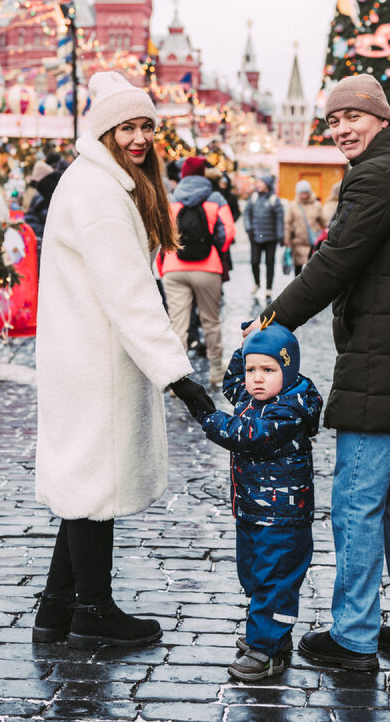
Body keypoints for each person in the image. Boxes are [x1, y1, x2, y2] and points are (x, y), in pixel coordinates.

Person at [245, 73, 390, 671]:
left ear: (381, 119)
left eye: (354, 118)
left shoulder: (376, 175)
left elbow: (334, 262)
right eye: (334, 121)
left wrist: (275, 318)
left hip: (381, 366)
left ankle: (354, 636)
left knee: (357, 503)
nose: (342, 129)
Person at [33, 71, 197, 650]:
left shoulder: (95, 183)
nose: (139, 138)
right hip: (95, 359)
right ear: (103, 130)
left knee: (84, 485)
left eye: (146, 126)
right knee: (94, 485)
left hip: (82, 354)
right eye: (126, 126)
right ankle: (94, 611)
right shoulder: (100, 194)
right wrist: (182, 379)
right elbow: (131, 295)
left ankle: (57, 609)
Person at [175, 321, 322, 682]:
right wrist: (247, 347)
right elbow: (232, 383)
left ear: (287, 371)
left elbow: (247, 435)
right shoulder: (255, 396)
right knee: (254, 577)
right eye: (252, 370)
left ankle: (268, 650)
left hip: (284, 520)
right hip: (252, 512)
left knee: (274, 582)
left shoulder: (288, 408)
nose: (256, 378)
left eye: (268, 370)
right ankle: (270, 639)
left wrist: (205, 413)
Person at [160, 156, 235, 387]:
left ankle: (178, 380)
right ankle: (215, 371)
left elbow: (160, 232)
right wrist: (216, 250)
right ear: (203, 174)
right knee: (211, 321)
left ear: (182, 175)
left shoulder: (171, 199)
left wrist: (169, 256)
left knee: (177, 324)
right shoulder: (215, 198)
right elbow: (229, 231)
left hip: (174, 268)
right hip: (208, 267)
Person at [244, 175, 284, 303]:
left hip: (270, 238)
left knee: (270, 263)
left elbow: (279, 219)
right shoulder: (254, 198)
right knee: (254, 262)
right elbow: (246, 214)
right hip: (255, 236)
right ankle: (257, 283)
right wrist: (249, 228)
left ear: (267, 184)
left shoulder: (274, 199)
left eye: (261, 182)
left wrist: (280, 235)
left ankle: (268, 288)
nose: (258, 185)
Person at [284, 180, 324, 276]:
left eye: (306, 193)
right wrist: (287, 240)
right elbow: (288, 224)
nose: (304, 196)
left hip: (313, 243)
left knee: (312, 269)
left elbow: (324, 222)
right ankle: (297, 289)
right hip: (298, 242)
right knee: (298, 269)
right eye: (302, 193)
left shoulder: (317, 205)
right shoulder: (293, 206)